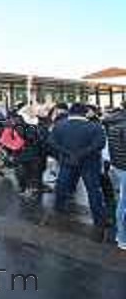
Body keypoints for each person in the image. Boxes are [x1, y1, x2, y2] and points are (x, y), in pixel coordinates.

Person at [47, 102, 107, 237]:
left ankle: (59, 210)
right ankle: (99, 219)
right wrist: (82, 153)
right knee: (93, 190)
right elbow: (100, 144)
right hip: (89, 163)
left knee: (62, 186)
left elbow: (51, 142)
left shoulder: (59, 125)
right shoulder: (95, 127)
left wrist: (67, 153)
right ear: (85, 113)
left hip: (67, 162)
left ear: (70, 112)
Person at [104, 102, 126, 250]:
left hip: (117, 166)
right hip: (124, 168)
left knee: (122, 202)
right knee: (123, 205)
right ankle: (122, 237)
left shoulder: (113, 122)